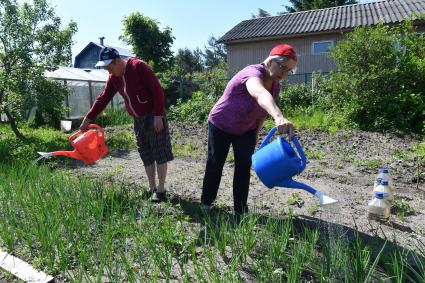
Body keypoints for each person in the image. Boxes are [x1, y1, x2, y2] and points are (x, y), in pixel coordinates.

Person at [200, 44, 297, 214]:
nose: (284, 73)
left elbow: (261, 112)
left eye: (289, 70)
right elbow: (259, 94)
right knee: (215, 163)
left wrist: (255, 134)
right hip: (221, 124)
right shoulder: (252, 73)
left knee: (244, 166)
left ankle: (240, 210)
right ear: (270, 61)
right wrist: (279, 117)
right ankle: (206, 204)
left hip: (246, 130)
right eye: (283, 66)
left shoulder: (276, 86)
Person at [80, 47, 173, 202]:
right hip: (138, 120)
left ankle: (161, 190)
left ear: (117, 61)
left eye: (109, 67)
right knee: (146, 153)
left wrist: (158, 115)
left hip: (153, 115)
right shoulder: (114, 78)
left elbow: (157, 90)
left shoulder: (138, 67)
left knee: (159, 151)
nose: (108, 71)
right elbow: (103, 98)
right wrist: (88, 118)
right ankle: (152, 188)